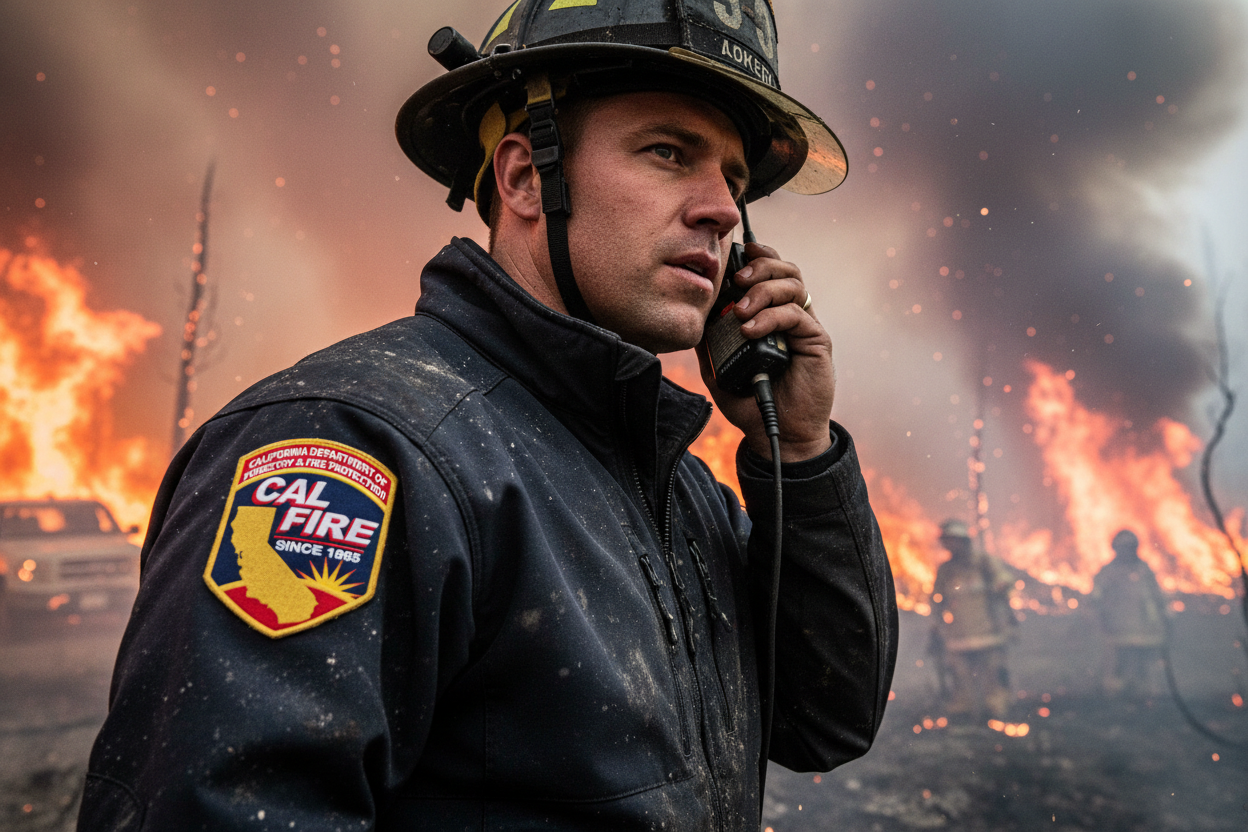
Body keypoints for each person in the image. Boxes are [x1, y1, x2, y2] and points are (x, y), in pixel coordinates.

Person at [79, 2, 898, 829]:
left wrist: (799, 450)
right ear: (523, 176)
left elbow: (826, 718)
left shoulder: (674, 487)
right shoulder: (352, 448)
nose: (722, 210)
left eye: (735, 181)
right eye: (668, 152)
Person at [930, 519, 1015, 720]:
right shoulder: (946, 570)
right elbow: (937, 599)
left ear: (964, 541)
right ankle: (964, 712)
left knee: (992, 675)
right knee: (960, 678)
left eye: (954, 541)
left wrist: (1000, 584)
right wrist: (937, 624)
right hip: (959, 635)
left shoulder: (984, 562)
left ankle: (996, 712)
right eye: (947, 541)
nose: (950, 545)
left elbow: (1005, 579)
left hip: (988, 632)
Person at [1091, 529, 1167, 698]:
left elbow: (1156, 597)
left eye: (1130, 547)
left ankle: (1145, 698)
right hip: (1118, 630)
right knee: (1118, 665)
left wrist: (1162, 620)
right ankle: (1115, 698)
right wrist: (1102, 623)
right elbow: (1095, 600)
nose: (1127, 551)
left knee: (1144, 666)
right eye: (1123, 547)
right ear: (1116, 548)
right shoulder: (1107, 572)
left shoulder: (1144, 570)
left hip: (1146, 631)